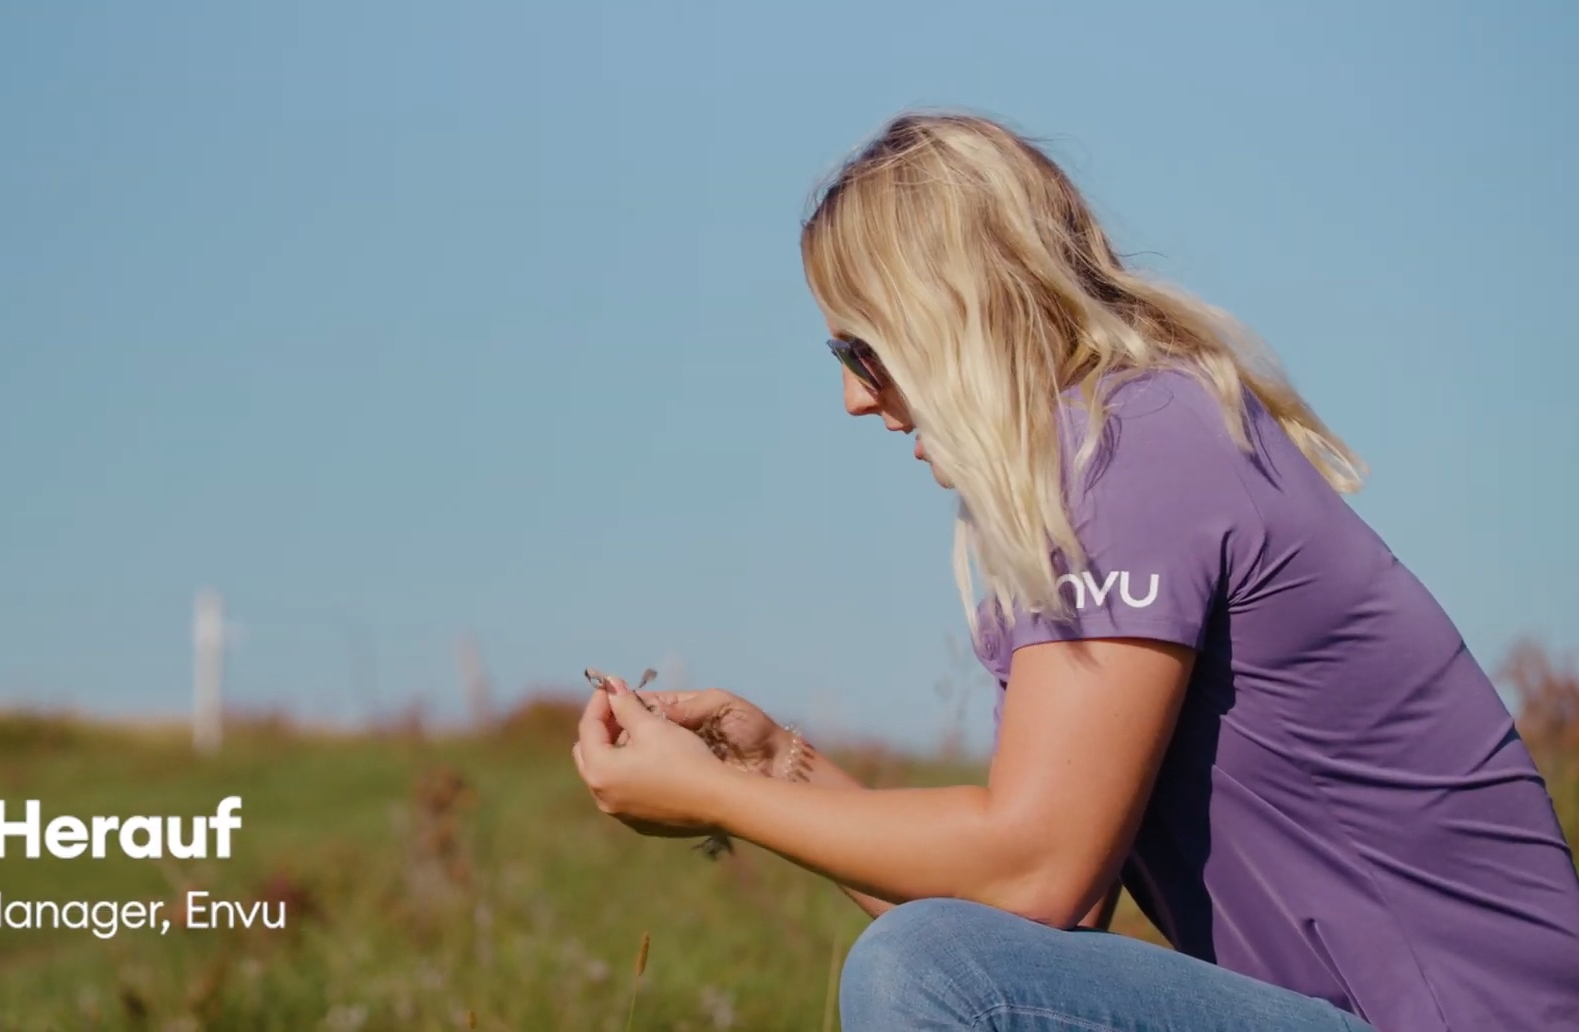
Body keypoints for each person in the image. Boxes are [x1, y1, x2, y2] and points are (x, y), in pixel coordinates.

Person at [569, 112, 1579, 1031]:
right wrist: (775, 766)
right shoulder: (1126, 446)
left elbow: (1036, 876)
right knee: (943, 961)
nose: (851, 398)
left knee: (921, 971)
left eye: (862, 350)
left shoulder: (1131, 454)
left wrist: (717, 802)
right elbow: (1047, 908)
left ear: (945, 316)